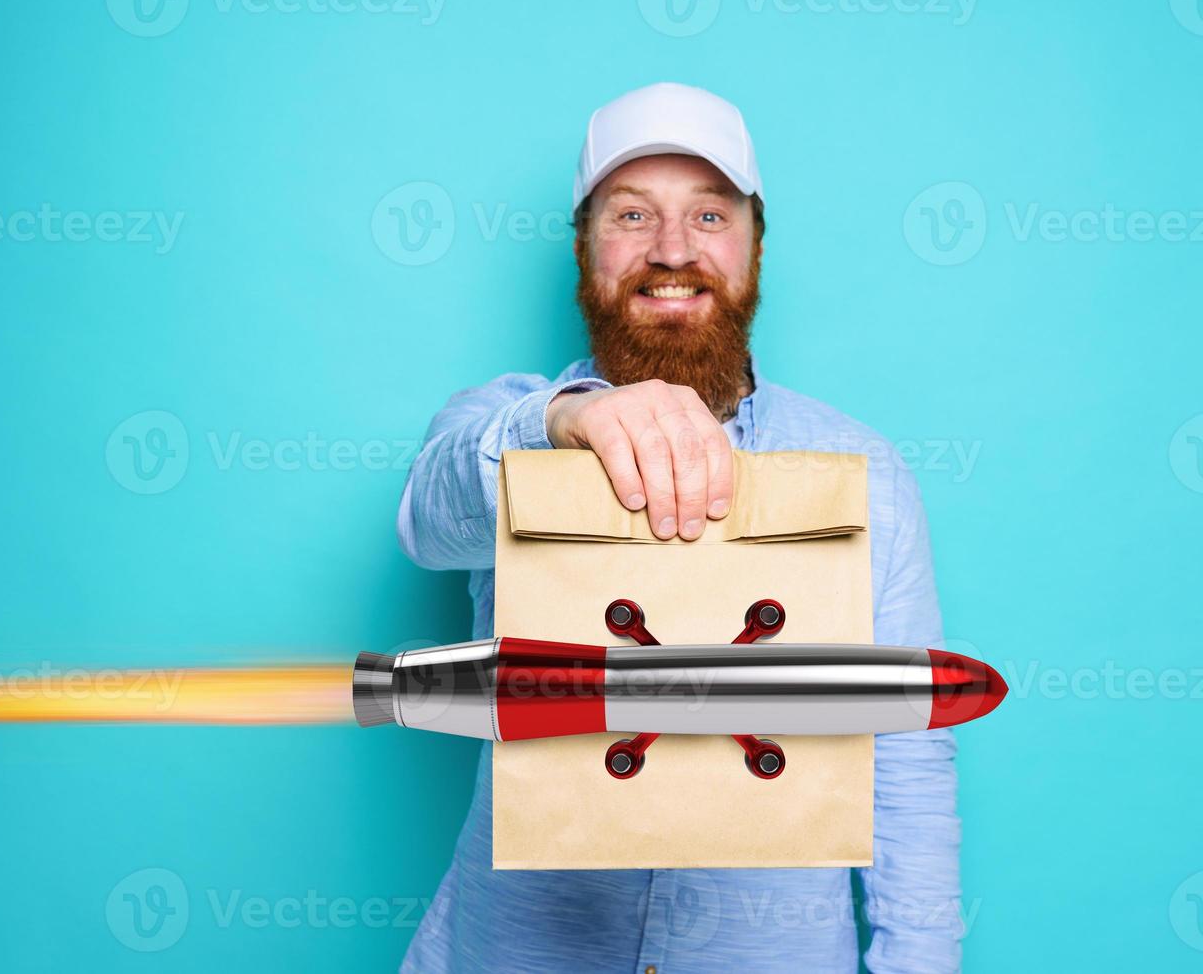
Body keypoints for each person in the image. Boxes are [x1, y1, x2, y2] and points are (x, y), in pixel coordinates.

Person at [395, 82, 963, 973]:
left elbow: (907, 761)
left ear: (755, 246)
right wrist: (566, 419)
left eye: (708, 213)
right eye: (631, 215)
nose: (671, 250)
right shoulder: (510, 425)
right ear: (582, 248)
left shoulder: (862, 472)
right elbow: (426, 524)